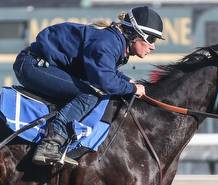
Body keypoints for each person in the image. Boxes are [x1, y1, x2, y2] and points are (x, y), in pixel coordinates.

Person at [12, 6, 164, 166]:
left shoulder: (114, 42)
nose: (153, 46)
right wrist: (132, 88)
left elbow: (105, 71)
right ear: (135, 34)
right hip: (32, 65)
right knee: (90, 94)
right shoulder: (108, 42)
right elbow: (104, 81)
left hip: (46, 64)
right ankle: (51, 143)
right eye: (151, 39)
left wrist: (128, 81)